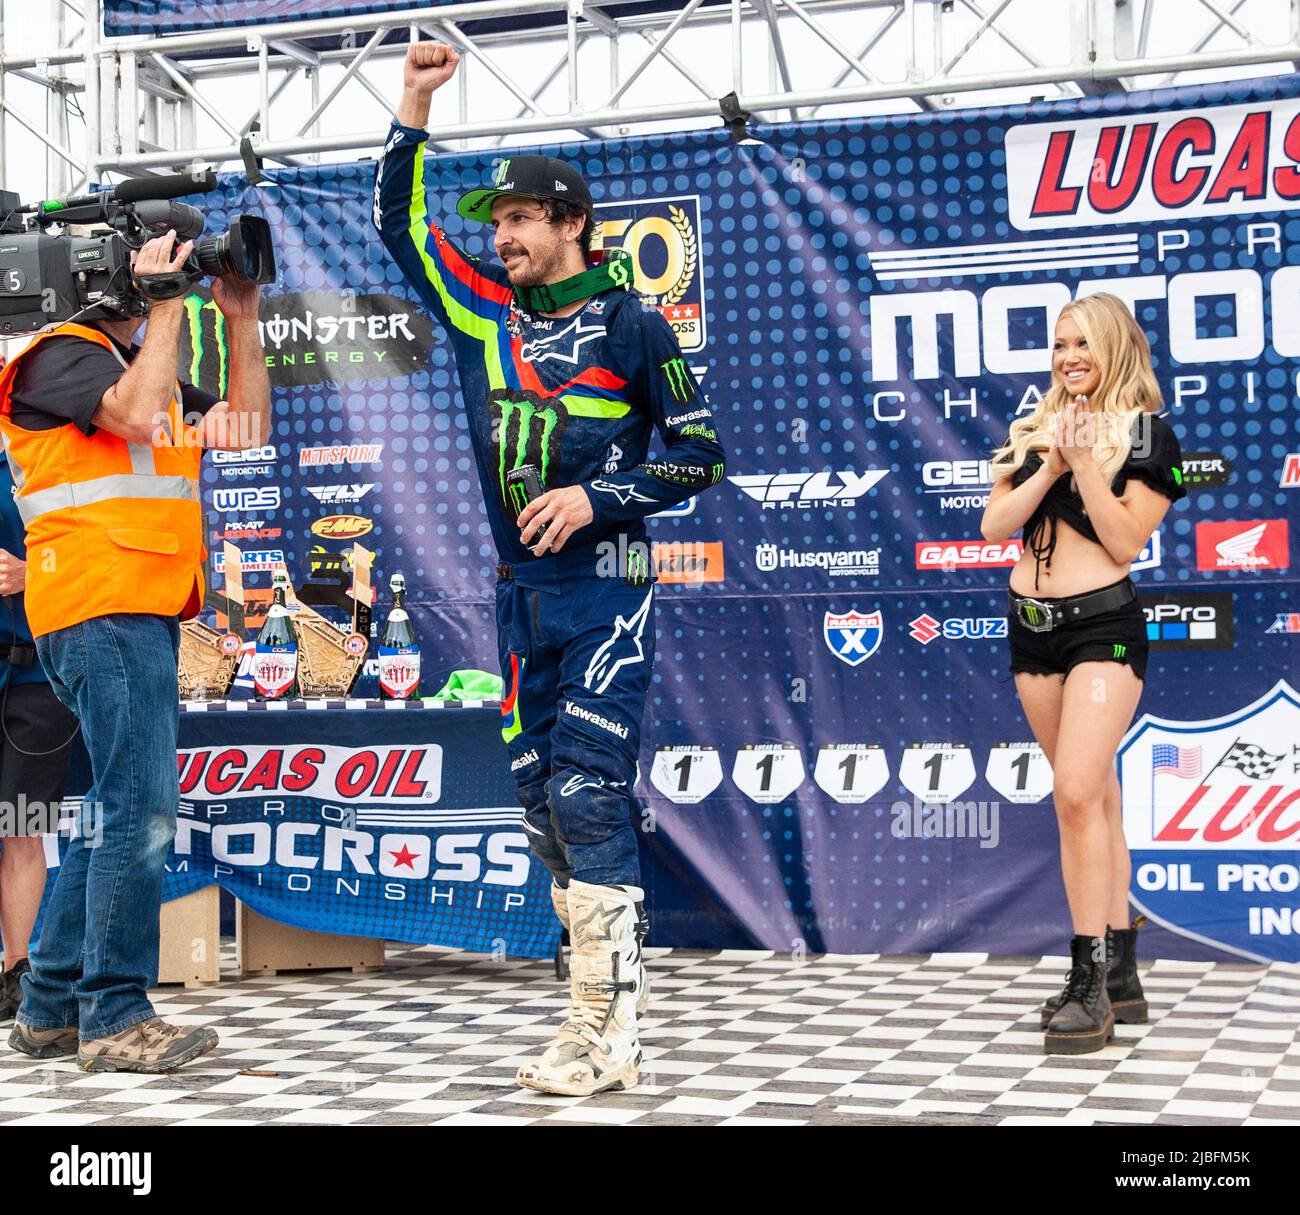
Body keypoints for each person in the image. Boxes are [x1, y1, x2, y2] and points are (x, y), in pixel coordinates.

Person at [375, 41, 726, 1096]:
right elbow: (398, 225)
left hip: (608, 589)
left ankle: (609, 1033)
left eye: (520, 218)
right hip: (518, 599)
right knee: (538, 803)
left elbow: (699, 455)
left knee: (585, 793)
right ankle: (585, 1016)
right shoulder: (482, 311)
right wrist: (415, 103)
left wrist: (593, 496)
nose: (503, 234)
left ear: (572, 223)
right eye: (496, 222)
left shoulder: (636, 323)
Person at [0, 229, 270, 1072]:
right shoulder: (56, 358)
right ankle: (112, 1013)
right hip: (97, 605)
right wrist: (166, 305)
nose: (186, 273)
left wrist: (243, 317)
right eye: (172, 260)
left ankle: (48, 1006)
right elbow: (127, 412)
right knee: (140, 813)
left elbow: (246, 427)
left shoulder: (138, 361)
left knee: (116, 810)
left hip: (135, 609)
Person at [981, 292, 1186, 1055]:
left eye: (1084, 345)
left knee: (1073, 792)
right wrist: (1050, 462)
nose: (1069, 358)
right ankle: (1124, 970)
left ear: (1115, 349)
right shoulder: (1030, 429)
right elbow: (994, 525)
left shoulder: (1146, 436)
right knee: (1093, 796)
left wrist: (1083, 466)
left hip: (1103, 627)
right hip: (1032, 635)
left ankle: (1088, 980)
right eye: (1061, 344)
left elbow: (1127, 539)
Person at [0, 356, 80, 1022]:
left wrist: (33, 570)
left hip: (37, 669)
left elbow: (89, 547)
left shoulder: (49, 454)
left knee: (22, 824)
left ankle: (17, 968)